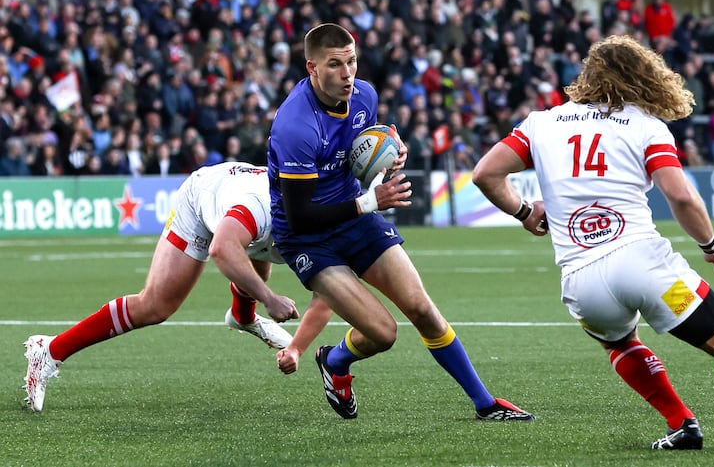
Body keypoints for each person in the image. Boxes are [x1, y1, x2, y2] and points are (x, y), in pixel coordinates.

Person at [472, 35, 714, 455]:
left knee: (618, 343)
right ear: (644, 77)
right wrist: (712, 246)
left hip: (582, 282)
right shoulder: (647, 126)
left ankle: (682, 423)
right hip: (647, 268)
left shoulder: (541, 123)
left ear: (586, 76)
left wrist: (524, 212)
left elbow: (485, 174)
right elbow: (681, 196)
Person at [267, 23, 532, 421]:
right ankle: (336, 362)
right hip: (308, 239)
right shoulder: (295, 126)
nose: (347, 73)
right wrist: (368, 201)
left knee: (421, 308)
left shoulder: (365, 96)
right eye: (335, 64)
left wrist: (389, 155)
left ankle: (485, 403)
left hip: (354, 214)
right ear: (312, 68)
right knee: (384, 333)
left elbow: (359, 154)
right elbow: (300, 216)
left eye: (352, 61)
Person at [23, 162, 303, 412]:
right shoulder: (258, 210)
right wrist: (269, 299)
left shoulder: (321, 213)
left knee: (257, 269)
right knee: (155, 306)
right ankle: (48, 350)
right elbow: (222, 250)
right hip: (201, 199)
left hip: (242, 202)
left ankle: (243, 317)